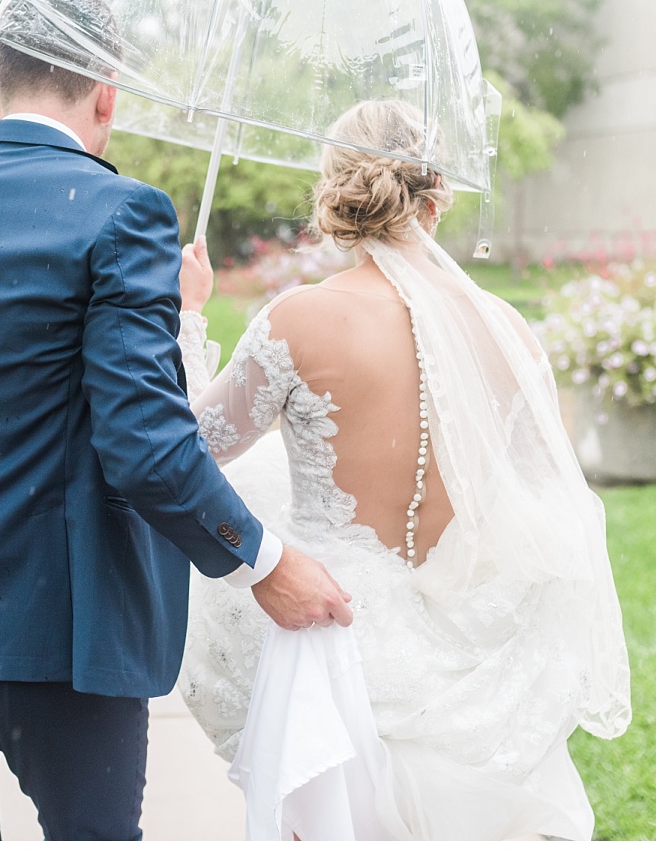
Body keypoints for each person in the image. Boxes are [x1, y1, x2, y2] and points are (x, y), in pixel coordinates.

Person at [0, 0, 352, 841]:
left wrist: (170, 315)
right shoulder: (124, 214)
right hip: (51, 643)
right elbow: (144, 444)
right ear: (107, 98)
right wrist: (264, 562)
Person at [174, 99, 632, 840]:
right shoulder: (508, 331)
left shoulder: (302, 320)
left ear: (334, 192)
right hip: (465, 652)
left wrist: (188, 318)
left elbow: (192, 450)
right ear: (439, 193)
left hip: (332, 635)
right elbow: (541, 497)